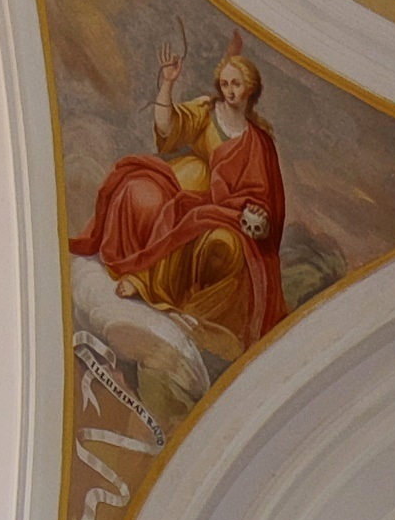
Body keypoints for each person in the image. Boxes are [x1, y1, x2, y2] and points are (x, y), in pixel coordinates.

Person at [70, 42, 287, 352]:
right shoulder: (207, 112)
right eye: (224, 84)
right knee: (150, 196)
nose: (229, 90)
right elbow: (168, 126)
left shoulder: (260, 142)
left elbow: (265, 197)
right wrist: (168, 85)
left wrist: (259, 217)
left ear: (250, 88)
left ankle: (176, 304)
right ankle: (140, 278)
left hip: (228, 211)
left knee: (218, 241)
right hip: (187, 185)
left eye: (236, 84)